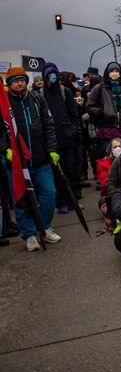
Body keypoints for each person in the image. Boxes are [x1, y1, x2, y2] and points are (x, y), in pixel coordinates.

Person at [4, 67, 61, 251]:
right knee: (22, 201)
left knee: (50, 193)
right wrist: (5, 150)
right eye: (15, 81)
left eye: (22, 79)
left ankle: (44, 227)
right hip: (17, 164)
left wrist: (52, 149)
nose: (19, 83)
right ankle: (28, 235)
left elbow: (49, 126)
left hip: (40, 158)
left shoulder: (37, 98)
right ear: (9, 83)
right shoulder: (4, 104)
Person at [37, 62, 82, 210]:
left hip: (67, 138)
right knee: (56, 174)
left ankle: (73, 200)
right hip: (51, 141)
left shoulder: (65, 91)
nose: (52, 76)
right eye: (49, 74)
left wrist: (72, 130)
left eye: (54, 73)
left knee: (71, 170)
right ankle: (61, 202)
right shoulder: (40, 95)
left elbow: (74, 114)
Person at [86, 61, 121, 143]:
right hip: (107, 130)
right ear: (107, 72)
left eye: (117, 71)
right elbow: (90, 106)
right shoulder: (99, 88)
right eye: (112, 71)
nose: (114, 73)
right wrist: (101, 112)